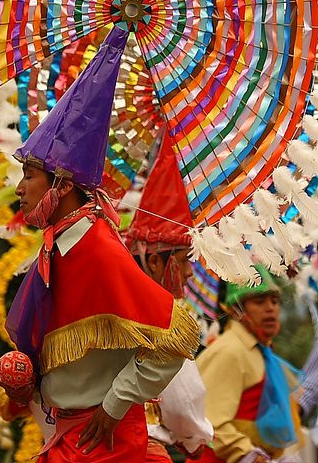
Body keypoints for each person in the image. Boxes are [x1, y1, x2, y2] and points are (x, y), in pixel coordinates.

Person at [0, 25, 200, 462]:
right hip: (67, 435)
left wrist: (114, 405)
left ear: (63, 184)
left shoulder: (95, 246)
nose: (20, 189)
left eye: (29, 175)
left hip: (102, 442)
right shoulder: (59, 246)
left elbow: (177, 334)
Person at [125, 131, 213, 463]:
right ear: (153, 260)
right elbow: (183, 405)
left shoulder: (116, 294)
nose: (190, 274)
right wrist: (195, 435)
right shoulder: (157, 310)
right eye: (182, 262)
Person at [191, 267, 303, 463]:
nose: (270, 308)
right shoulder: (230, 351)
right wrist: (250, 455)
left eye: (274, 301)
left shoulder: (261, 351)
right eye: (259, 301)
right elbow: (210, 422)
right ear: (236, 310)